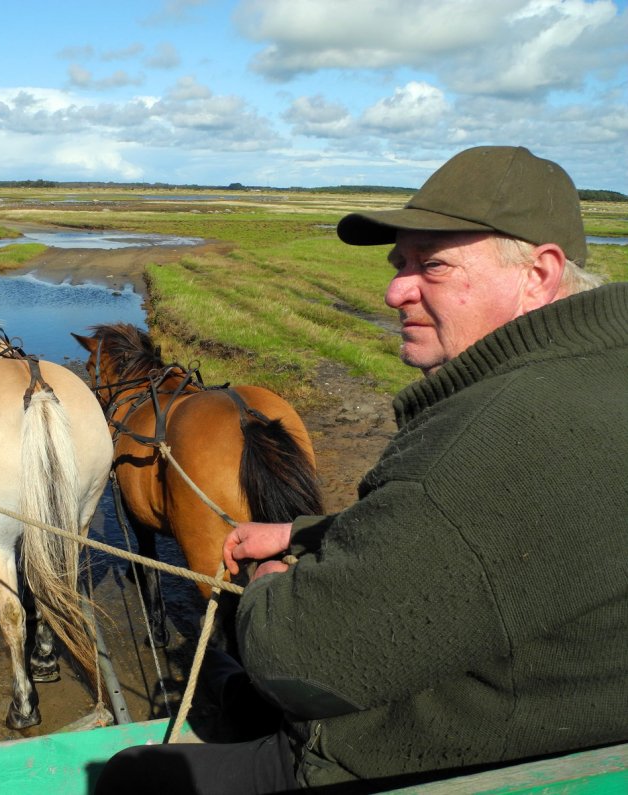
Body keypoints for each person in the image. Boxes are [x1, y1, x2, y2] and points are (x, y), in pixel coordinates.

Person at [95, 145, 628, 794]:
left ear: (538, 274)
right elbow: (468, 528)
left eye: (432, 264)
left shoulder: (491, 431)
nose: (395, 289)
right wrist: (300, 532)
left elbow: (295, 653)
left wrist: (267, 579)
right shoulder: (598, 374)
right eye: (400, 262)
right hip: (556, 718)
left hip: (416, 756)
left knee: (131, 776)